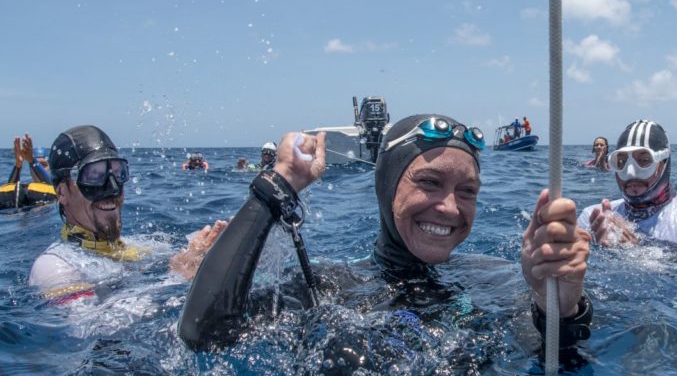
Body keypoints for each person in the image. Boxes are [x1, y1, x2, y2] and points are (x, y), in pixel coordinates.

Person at [178, 114, 593, 354]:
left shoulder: (499, 278)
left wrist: (558, 303)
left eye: (466, 191)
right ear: (387, 187)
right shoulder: (326, 288)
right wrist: (276, 188)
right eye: (429, 182)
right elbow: (206, 337)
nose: (449, 207)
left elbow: (552, 365)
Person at [28, 125, 224, 303]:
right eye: (94, 176)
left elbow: (183, 258)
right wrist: (176, 280)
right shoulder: (54, 267)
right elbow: (91, 327)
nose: (113, 189)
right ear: (62, 192)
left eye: (118, 173)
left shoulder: (139, 247)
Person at [579, 120, 677, 246]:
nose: (631, 173)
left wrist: (636, 254)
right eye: (621, 162)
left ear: (664, 162)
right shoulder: (592, 217)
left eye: (645, 161)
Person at [1, 134, 56, 210]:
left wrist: (32, 161)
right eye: (35, 166)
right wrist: (18, 165)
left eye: (43, 165)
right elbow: (10, 190)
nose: (37, 169)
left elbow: (52, 187)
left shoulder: (58, 184)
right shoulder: (27, 189)